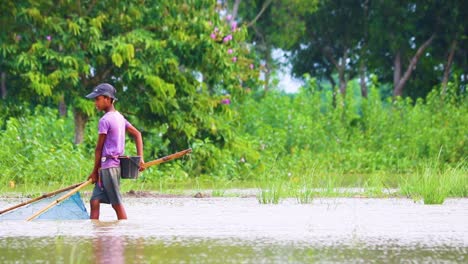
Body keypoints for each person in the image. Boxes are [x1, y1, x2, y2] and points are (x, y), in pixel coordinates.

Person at [85, 83, 145, 220]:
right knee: (94, 201)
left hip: (109, 167)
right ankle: (95, 234)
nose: (95, 103)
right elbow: (138, 134)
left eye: (97, 99)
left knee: (116, 204)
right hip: (106, 168)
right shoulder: (119, 117)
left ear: (107, 99)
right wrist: (140, 157)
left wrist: (95, 171)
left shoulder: (105, 120)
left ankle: (123, 232)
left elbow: (99, 149)